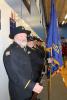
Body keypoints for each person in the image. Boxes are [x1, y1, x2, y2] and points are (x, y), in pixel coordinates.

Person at [3, 26, 43, 100]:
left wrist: (32, 82)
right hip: (19, 91)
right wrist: (32, 85)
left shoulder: (21, 49)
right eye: (20, 36)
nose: (24, 38)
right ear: (14, 37)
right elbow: (15, 75)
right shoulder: (11, 51)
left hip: (26, 88)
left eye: (25, 36)